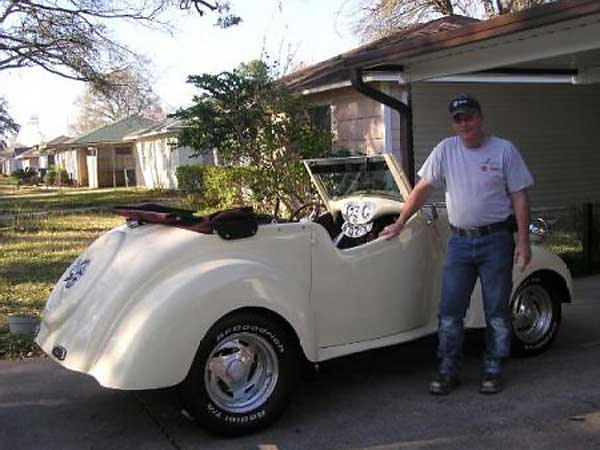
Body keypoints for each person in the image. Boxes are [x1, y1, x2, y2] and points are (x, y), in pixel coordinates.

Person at [380, 94, 534, 395]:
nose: (464, 123)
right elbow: (422, 190)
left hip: (496, 242)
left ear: (480, 117)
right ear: (454, 123)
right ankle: (448, 370)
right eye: (458, 119)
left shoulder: (504, 151)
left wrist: (523, 242)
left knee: (497, 312)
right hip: (460, 244)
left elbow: (519, 196)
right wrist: (399, 223)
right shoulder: (445, 150)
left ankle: (493, 370)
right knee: (450, 311)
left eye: (469, 117)